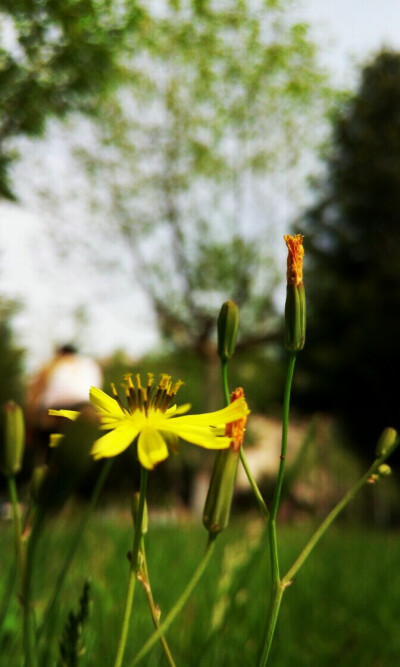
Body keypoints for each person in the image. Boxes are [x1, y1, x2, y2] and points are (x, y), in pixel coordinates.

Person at [26, 344, 103, 460]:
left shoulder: (53, 364)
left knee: (44, 451)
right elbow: (98, 391)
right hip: (85, 410)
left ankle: (42, 469)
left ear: (60, 353)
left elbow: (36, 390)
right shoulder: (90, 365)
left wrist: (30, 418)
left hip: (55, 411)